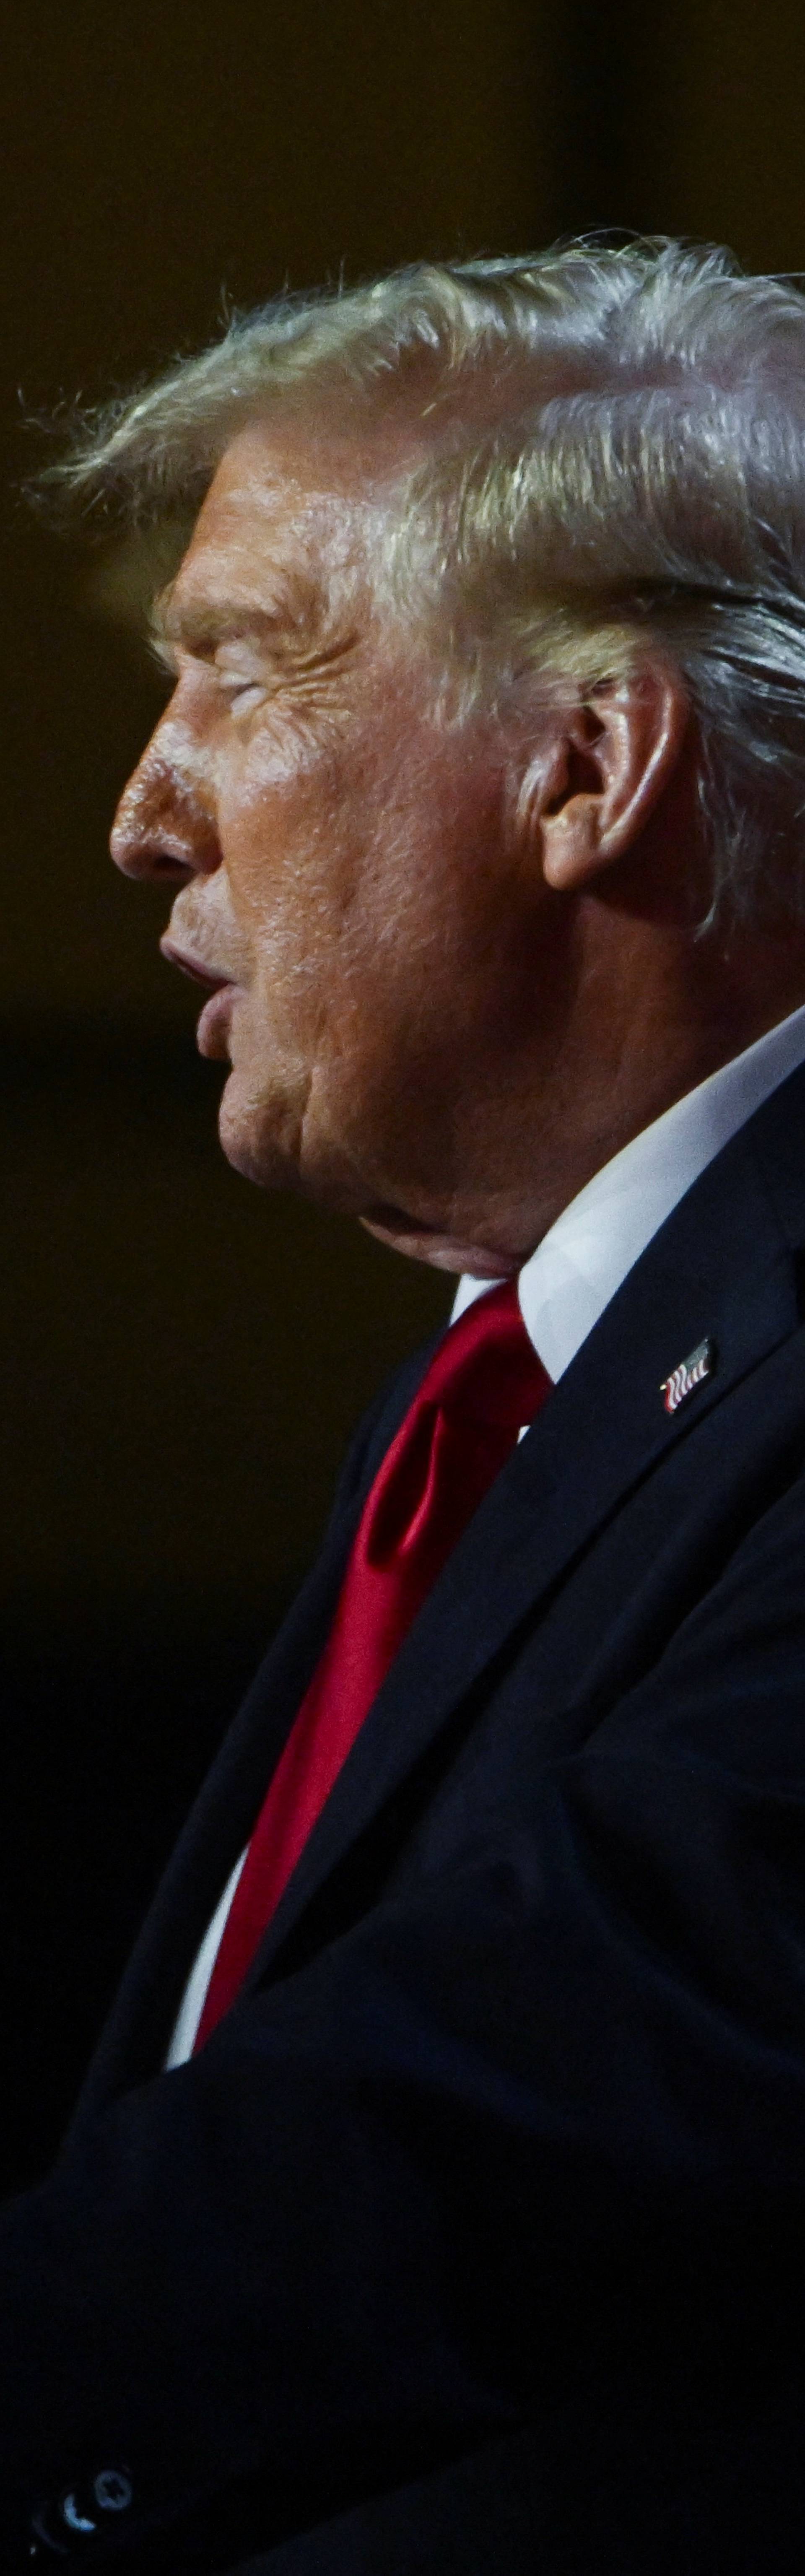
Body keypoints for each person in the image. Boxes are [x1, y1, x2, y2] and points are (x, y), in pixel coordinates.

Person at [8, 236, 805, 2573]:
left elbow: (566, 2065)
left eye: (237, 676)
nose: (148, 815)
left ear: (587, 766)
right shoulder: (517, 1367)